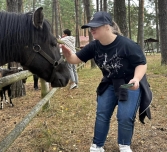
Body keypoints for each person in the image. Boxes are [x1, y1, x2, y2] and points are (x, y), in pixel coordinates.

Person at [60, 11, 152, 152]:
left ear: (108, 27)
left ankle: (124, 145)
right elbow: (74, 59)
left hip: (129, 83)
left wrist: (136, 78)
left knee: (125, 116)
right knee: (102, 114)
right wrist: (68, 55)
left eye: (96, 26)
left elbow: (142, 63)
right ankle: (97, 146)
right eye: (90, 27)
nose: (92, 29)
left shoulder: (127, 44)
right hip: (109, 83)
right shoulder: (94, 46)